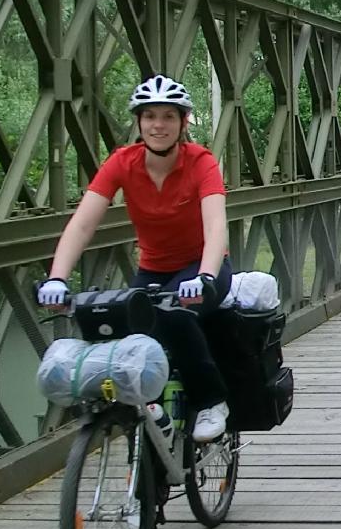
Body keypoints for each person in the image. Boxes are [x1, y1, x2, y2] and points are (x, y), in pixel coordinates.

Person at [36, 75, 231, 442]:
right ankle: (149, 411)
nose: (159, 125)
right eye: (150, 116)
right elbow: (81, 225)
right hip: (153, 269)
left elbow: (216, 224)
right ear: (139, 122)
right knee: (121, 332)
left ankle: (211, 402)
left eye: (169, 116)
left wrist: (205, 275)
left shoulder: (200, 162)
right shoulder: (122, 163)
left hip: (201, 267)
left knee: (176, 318)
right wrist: (57, 279)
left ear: (183, 122)